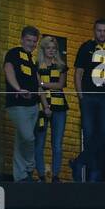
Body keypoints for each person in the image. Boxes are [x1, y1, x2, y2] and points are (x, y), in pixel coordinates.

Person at [70, 19, 105, 182]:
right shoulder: (85, 47)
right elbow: (78, 73)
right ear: (94, 31)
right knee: (88, 135)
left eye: (104, 31)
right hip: (88, 97)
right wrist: (81, 96)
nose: (102, 33)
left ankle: (79, 161)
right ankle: (94, 172)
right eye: (99, 30)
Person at [2, 25, 40, 182]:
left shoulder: (32, 60)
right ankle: (30, 166)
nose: (31, 44)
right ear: (22, 39)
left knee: (21, 140)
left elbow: (38, 82)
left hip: (33, 106)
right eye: (28, 40)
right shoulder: (14, 53)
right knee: (28, 138)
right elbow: (8, 69)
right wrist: (17, 88)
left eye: (34, 41)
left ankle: (20, 176)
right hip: (17, 104)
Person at [32, 34, 68, 182]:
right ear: (43, 49)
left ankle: (55, 175)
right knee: (39, 143)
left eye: (54, 48)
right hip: (42, 106)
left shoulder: (61, 66)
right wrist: (46, 105)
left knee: (57, 144)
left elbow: (60, 85)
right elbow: (38, 89)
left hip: (60, 106)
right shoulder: (37, 65)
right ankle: (41, 175)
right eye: (48, 48)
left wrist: (42, 84)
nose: (52, 50)